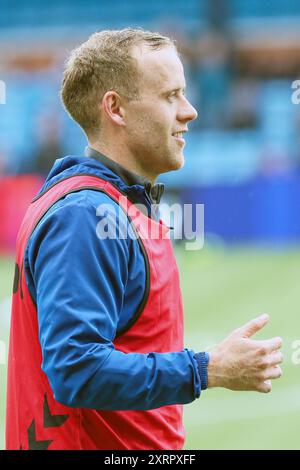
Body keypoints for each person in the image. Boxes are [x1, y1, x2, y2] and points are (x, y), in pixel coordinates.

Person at [6, 28, 283, 451]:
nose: (189, 111)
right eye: (170, 96)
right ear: (115, 109)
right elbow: (76, 369)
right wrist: (208, 369)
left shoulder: (114, 205)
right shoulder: (84, 215)